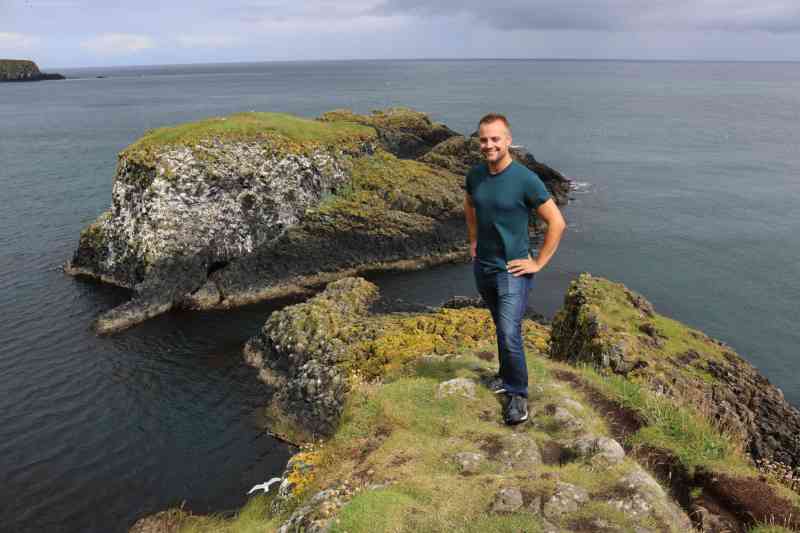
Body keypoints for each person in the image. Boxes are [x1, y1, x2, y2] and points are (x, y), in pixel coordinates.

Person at [464, 113, 566, 425]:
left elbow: (557, 222)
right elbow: (470, 205)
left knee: (510, 332)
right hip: (484, 268)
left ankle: (518, 394)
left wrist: (538, 262)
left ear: (508, 140)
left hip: (512, 271)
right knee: (501, 326)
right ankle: (504, 376)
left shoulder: (526, 180)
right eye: (484, 139)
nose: (489, 145)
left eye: (495, 139)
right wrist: (473, 242)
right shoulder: (475, 176)